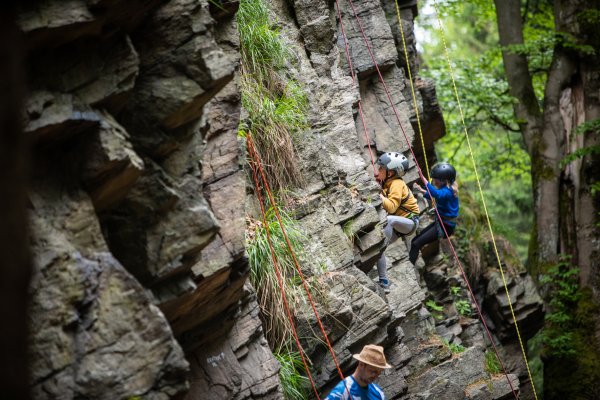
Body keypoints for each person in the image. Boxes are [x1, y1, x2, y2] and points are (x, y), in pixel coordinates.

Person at [375, 152, 420, 292]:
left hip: (410, 221)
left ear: (391, 172)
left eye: (381, 168)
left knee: (389, 220)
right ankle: (384, 281)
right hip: (398, 224)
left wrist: (378, 196)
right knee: (377, 248)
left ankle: (382, 244)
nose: (378, 171)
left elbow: (392, 207)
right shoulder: (388, 183)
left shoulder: (397, 183)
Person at [409, 162, 459, 265]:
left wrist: (423, 178)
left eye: (435, 179)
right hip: (442, 223)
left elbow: (437, 194)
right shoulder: (446, 189)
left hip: (445, 227)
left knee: (415, 243)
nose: (433, 181)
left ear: (444, 180)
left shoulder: (448, 192)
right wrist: (422, 191)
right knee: (415, 241)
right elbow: (436, 197)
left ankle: (409, 272)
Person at [324, 344, 391, 400]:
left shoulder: (378, 392)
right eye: (373, 371)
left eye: (379, 372)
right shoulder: (342, 390)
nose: (375, 375)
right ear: (361, 364)